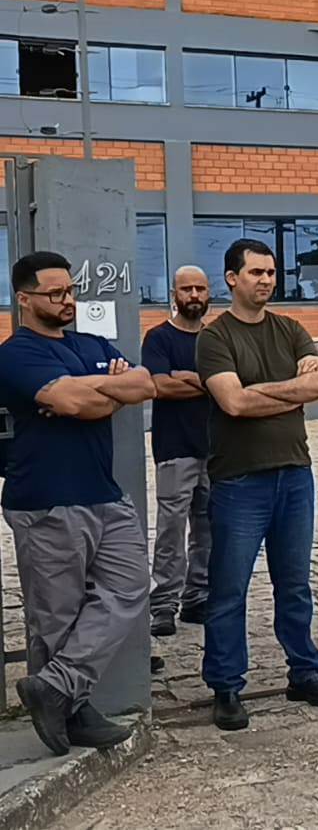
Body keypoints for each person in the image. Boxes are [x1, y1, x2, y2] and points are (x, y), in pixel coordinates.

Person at [0, 251, 155, 755]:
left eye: (70, 291)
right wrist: (102, 390)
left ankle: (55, 686)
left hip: (103, 493)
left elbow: (144, 383)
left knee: (130, 586)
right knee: (56, 616)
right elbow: (73, 402)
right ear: (24, 299)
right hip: (47, 498)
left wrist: (90, 392)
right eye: (55, 294)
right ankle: (73, 710)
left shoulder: (91, 343)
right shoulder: (15, 354)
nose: (67, 300)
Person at [196, 239, 318, 731]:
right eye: (256, 272)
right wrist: (289, 393)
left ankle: (304, 671)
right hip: (240, 481)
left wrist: (260, 391)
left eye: (271, 273)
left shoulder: (291, 329)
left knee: (295, 584)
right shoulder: (215, 338)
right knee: (229, 588)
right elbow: (233, 403)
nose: (266, 280)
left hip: (294, 474)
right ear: (231, 278)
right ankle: (226, 685)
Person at [144, 265, 215, 638]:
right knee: (170, 531)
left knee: (208, 529)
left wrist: (184, 376)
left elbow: (233, 383)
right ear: (174, 293)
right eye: (187, 289)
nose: (194, 295)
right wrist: (208, 382)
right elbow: (160, 386)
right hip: (174, 447)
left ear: (209, 292)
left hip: (216, 448)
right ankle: (163, 605)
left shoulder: (216, 338)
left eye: (200, 288)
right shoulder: (159, 338)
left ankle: (197, 597)